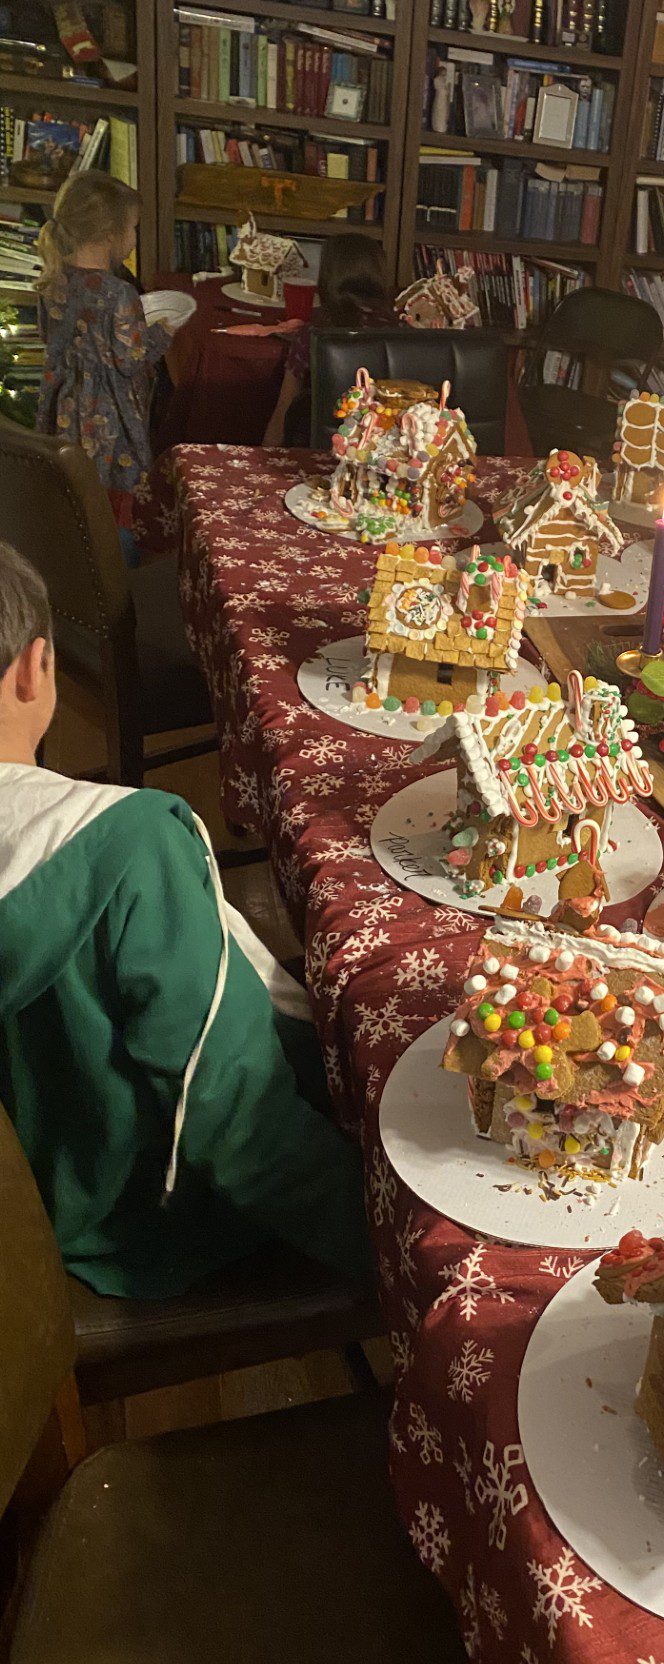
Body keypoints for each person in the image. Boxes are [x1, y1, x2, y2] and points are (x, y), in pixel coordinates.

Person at [0, 543, 372, 1300]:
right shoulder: (130, 848)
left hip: (36, 1196)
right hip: (147, 1217)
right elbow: (233, 1116)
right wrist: (389, 1253)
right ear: (35, 670)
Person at [35, 170, 173, 566]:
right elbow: (132, 358)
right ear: (111, 234)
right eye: (133, 228)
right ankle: (114, 568)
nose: (134, 238)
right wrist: (164, 333)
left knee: (73, 485)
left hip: (65, 406)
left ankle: (70, 559)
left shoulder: (52, 281)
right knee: (113, 493)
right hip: (108, 416)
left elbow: (52, 339)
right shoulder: (119, 293)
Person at [261, 232, 395, 447]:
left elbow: (283, 413)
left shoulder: (313, 335)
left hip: (321, 454)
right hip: (385, 456)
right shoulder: (403, 331)